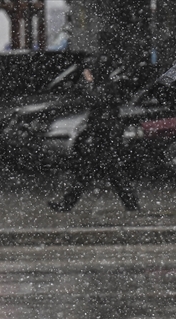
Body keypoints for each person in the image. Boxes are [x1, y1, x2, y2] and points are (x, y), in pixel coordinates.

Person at [49, 55, 139, 212]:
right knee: (106, 173)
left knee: (94, 172)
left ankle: (67, 204)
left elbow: (97, 103)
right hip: (103, 136)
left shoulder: (104, 86)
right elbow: (97, 107)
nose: (86, 72)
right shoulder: (104, 86)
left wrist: (88, 85)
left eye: (89, 70)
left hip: (105, 136)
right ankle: (131, 204)